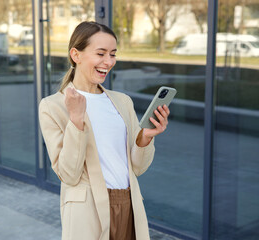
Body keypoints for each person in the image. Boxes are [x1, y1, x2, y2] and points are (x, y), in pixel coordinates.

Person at [38, 21, 170, 240]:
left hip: (129, 205)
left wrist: (145, 138)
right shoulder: (53, 106)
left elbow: (137, 168)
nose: (108, 62)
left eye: (113, 54)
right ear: (75, 55)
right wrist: (77, 121)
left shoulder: (122, 101)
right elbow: (68, 174)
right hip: (88, 211)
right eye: (101, 53)